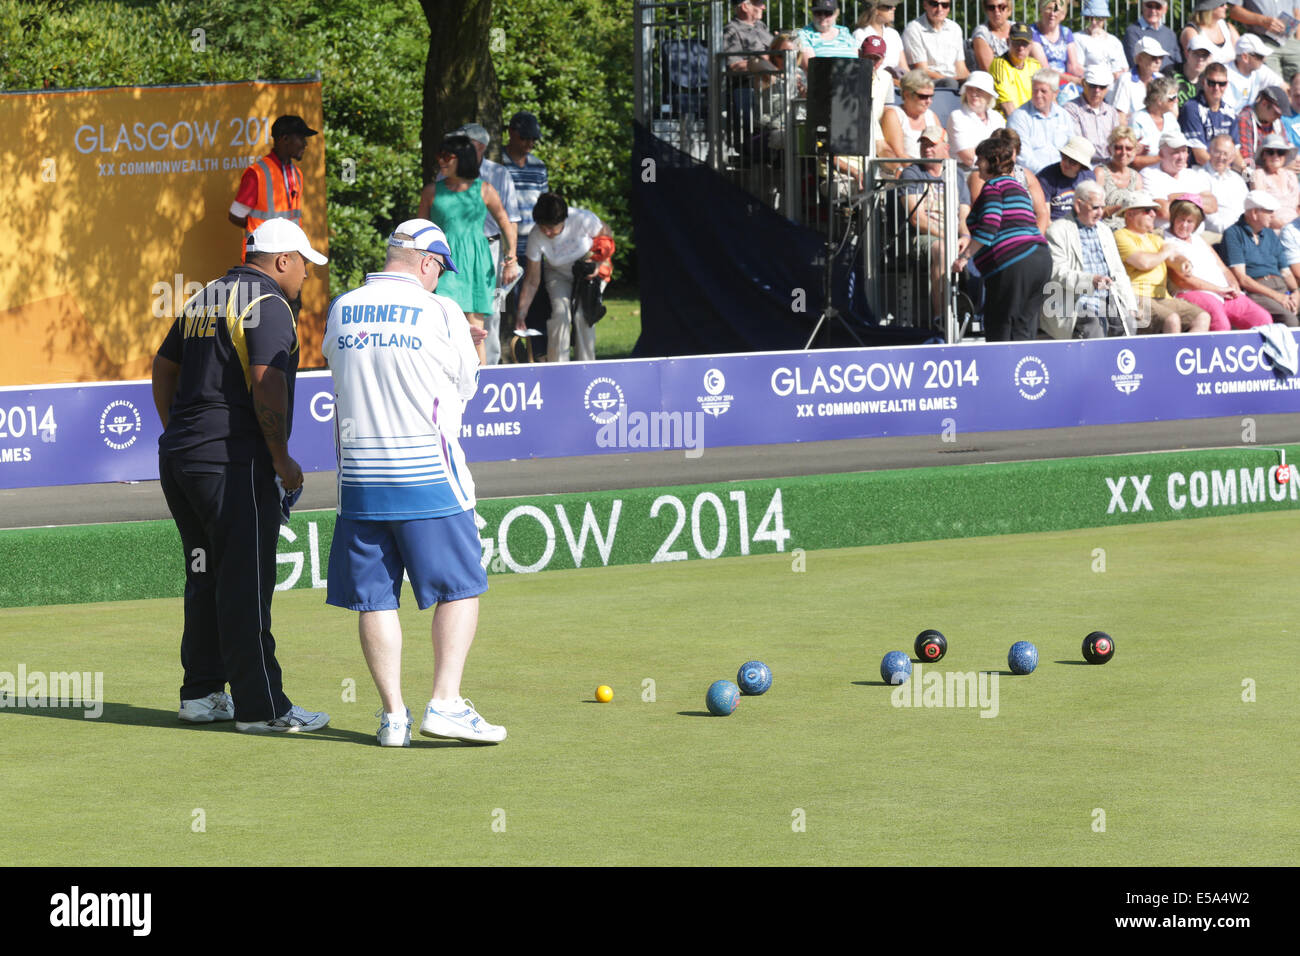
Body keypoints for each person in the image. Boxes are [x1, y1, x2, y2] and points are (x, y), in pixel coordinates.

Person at [322, 220, 504, 747]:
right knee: (461, 588)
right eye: (440, 269)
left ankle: (393, 718)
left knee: (375, 599)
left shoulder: (342, 307)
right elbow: (466, 386)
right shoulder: (442, 310)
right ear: (426, 262)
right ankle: (445, 703)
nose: (440, 278)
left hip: (360, 480)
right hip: (429, 476)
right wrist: (467, 344)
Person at [152, 218, 330, 735]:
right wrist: (281, 457)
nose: (306, 275)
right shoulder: (269, 303)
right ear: (282, 261)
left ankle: (202, 693)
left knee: (205, 575)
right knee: (246, 583)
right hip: (233, 464)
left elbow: (163, 368)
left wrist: (180, 432)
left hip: (183, 461)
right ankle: (262, 708)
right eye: (303, 264)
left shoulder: (205, 295)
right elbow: (266, 383)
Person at [419, 134, 518, 365]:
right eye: (439, 156)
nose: (441, 161)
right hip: (442, 263)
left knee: (476, 330)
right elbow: (420, 230)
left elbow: (505, 222)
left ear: (462, 158)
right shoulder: (431, 191)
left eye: (447, 156)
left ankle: (479, 380)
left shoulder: (484, 189)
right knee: (442, 325)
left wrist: (511, 257)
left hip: (476, 262)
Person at [954, 134, 1052, 339]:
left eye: (980, 159)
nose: (976, 164)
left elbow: (989, 225)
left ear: (995, 161)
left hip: (1014, 264)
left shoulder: (993, 186)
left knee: (1000, 329)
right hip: (1041, 260)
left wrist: (964, 258)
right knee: (1023, 330)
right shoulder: (1018, 187)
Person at [450, 123, 521, 367]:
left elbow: (510, 219)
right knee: (454, 308)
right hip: (455, 250)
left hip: (491, 250)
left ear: (478, 147)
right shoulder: (447, 172)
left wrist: (511, 259)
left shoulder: (499, 174)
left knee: (492, 309)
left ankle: (489, 367)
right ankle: (457, 366)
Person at [514, 193, 612, 362]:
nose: (547, 232)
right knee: (560, 314)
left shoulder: (582, 219)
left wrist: (598, 263)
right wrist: (522, 313)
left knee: (583, 317)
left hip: (586, 270)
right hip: (557, 273)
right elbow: (531, 280)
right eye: (543, 227)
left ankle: (586, 366)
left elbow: (606, 235)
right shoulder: (536, 236)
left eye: (551, 227)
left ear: (564, 220)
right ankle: (558, 366)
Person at [1043, 180, 1139, 337]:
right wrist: (1090, 281)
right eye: (1095, 207)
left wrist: (1130, 305)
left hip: (1109, 298)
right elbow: (1057, 272)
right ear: (1078, 205)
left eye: (1102, 207)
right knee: (1094, 323)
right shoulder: (1057, 230)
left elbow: (1118, 271)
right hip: (1075, 301)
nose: (1100, 213)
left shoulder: (1105, 230)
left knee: (1128, 322)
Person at [1163, 196, 1274, 329]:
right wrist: (1219, 290)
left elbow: (1223, 268)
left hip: (1223, 292)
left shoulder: (1199, 239)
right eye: (1181, 219)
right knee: (1221, 324)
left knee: (1262, 318)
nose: (1184, 225)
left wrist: (1233, 285)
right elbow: (1182, 280)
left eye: (1190, 221)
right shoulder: (1166, 241)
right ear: (1173, 218)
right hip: (1193, 292)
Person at [900, 126, 972, 325]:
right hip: (923, 236)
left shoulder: (956, 174)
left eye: (932, 144)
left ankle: (978, 313)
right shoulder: (912, 173)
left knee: (982, 245)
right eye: (923, 144)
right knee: (942, 249)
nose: (927, 149)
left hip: (952, 234)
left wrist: (965, 237)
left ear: (946, 147)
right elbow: (917, 219)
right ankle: (941, 317)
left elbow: (963, 215)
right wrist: (949, 237)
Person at [1113, 192, 1213, 332]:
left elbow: (1174, 257)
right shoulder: (1120, 236)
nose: (1154, 214)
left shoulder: (1155, 239)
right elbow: (1143, 263)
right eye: (1147, 210)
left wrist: (1184, 263)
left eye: (1154, 210)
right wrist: (1165, 253)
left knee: (1202, 317)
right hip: (1136, 296)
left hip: (1162, 297)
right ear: (1130, 214)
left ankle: (1185, 348)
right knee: (1171, 319)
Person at [228, 114, 316, 259]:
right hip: (261, 260)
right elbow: (235, 216)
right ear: (285, 139)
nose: (305, 144)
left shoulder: (296, 174)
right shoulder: (257, 173)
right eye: (301, 138)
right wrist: (263, 234)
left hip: (289, 258)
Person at [1219, 189, 1300, 324]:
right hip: (1257, 291)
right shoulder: (1233, 234)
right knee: (1289, 319)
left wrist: (1296, 292)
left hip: (1281, 287)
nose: (1273, 216)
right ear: (1254, 213)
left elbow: (1285, 271)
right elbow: (1242, 279)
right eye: (1269, 211)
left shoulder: (1270, 234)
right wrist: (1278, 296)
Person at [502, 110, 549, 338]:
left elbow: (545, 204)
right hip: (506, 243)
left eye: (533, 139)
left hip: (534, 241)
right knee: (505, 299)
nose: (529, 143)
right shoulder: (498, 164)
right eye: (525, 138)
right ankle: (507, 344)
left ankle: (534, 349)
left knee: (534, 299)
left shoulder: (539, 166)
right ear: (511, 132)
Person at [968, 127, 1051, 232]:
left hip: (1029, 232)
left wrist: (1036, 236)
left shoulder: (1026, 175)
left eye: (1011, 151)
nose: (1007, 155)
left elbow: (1042, 213)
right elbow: (983, 212)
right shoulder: (980, 176)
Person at [1142, 129, 1219, 229]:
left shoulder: (1193, 174)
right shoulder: (1149, 174)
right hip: (1164, 234)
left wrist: (1177, 197)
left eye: (1184, 151)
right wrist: (1197, 201)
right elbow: (1164, 211)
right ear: (1161, 154)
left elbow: (1213, 205)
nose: (1182, 157)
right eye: (1176, 152)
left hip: (1196, 235)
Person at [1008, 68, 1074, 172]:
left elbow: (1072, 146)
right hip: (1033, 175)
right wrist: (1047, 175)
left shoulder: (1063, 115)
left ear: (1055, 93)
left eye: (1043, 91)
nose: (1038, 95)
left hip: (1063, 173)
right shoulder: (1019, 117)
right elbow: (1023, 157)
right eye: (1035, 90)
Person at [1180, 61, 1238, 167]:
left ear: (1226, 85)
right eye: (1212, 83)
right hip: (1197, 170)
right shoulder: (1192, 109)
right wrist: (1224, 170)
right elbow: (1199, 156)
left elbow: (1236, 153)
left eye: (1221, 84)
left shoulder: (1230, 112)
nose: (1216, 88)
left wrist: (1245, 171)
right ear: (1203, 82)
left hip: (1223, 169)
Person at [1064, 64, 1125, 166]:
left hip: (1110, 167)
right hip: (1083, 167)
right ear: (1084, 83)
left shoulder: (1112, 112)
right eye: (1093, 85)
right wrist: (1112, 150)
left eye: (1102, 87)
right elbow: (1078, 146)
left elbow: (1118, 141)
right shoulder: (1071, 109)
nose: (1097, 90)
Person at [902, 0, 969, 89]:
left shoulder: (955, 28)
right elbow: (921, 70)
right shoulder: (914, 29)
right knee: (950, 83)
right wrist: (951, 79)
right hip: (927, 82)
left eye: (945, 5)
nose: (940, 9)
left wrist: (972, 80)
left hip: (953, 80)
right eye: (934, 4)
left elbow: (961, 68)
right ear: (925, 5)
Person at [947, 71, 1006, 171]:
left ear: (989, 95)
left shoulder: (997, 118)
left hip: (995, 170)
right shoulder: (957, 116)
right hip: (965, 172)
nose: (974, 94)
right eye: (970, 89)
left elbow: (1004, 151)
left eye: (979, 90)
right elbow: (969, 158)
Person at [1228, 0, 1300, 81]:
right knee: (1273, 83)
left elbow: (1297, 12)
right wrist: (1262, 20)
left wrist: (1298, 40)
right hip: (1262, 41)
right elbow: (1234, 11)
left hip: (1292, 40)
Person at [882, 69, 944, 159]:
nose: (929, 101)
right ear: (907, 94)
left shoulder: (932, 116)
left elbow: (941, 152)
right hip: (907, 167)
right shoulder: (893, 115)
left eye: (931, 96)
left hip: (929, 167)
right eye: (923, 96)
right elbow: (899, 155)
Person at [1030, 0, 1085, 101]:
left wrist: (1087, 77)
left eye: (1057, 10)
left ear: (1063, 15)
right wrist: (1074, 80)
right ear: (1041, 10)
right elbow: (1045, 69)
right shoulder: (1033, 33)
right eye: (1049, 9)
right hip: (1044, 81)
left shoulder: (1066, 32)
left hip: (1066, 82)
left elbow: (1073, 67)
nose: (1052, 14)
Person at [1095, 125, 1147, 227]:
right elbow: (1094, 211)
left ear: (1134, 151)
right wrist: (1120, 207)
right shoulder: (1100, 173)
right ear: (1109, 149)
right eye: (1118, 148)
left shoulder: (1136, 177)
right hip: (1104, 229)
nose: (1124, 152)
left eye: (1129, 148)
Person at [1037, 135, 1098, 221]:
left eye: (1073, 162)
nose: (1066, 163)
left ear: (1082, 166)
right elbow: (1044, 218)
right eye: (1064, 157)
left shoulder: (1089, 178)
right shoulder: (1046, 177)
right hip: (1055, 225)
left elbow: (1093, 210)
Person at [1224, 34, 1285, 115]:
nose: (1264, 60)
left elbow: (1284, 87)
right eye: (1260, 56)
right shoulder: (1224, 76)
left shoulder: (1259, 70)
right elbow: (1227, 112)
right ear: (1245, 57)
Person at [1202, 132, 1251, 233]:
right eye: (1217, 152)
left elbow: (1248, 207)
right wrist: (1233, 232)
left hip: (1243, 232)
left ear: (1232, 157)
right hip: (1217, 234)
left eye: (1226, 154)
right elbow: (1210, 219)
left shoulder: (1237, 179)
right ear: (1210, 151)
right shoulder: (1200, 176)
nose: (1221, 157)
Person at [990, 22, 1042, 117]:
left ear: (1031, 45)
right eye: (1016, 43)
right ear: (1008, 42)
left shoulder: (1035, 65)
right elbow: (1007, 105)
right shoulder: (999, 65)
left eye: (1025, 43)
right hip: (1008, 121)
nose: (1021, 48)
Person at [1074, 1, 1129, 90]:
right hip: (1091, 88)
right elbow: (1078, 70)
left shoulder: (1114, 41)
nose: (1094, 22)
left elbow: (1124, 69)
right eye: (1090, 18)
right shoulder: (1078, 38)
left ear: (1105, 18)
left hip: (1115, 88)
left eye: (1098, 18)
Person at [1236, 84, 1291, 170]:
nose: (1279, 118)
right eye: (1276, 113)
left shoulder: (1277, 122)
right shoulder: (1245, 119)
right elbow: (1247, 158)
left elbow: (1285, 150)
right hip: (1254, 173)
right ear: (1264, 103)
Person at [1114, 36, 1170, 118]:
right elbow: (1120, 115)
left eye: (1161, 57)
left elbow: (1168, 110)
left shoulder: (1161, 78)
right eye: (1153, 57)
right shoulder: (1125, 80)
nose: (1158, 61)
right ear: (1139, 59)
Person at [1130, 76, 1182, 163]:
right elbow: (1131, 159)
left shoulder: (1171, 118)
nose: (1176, 100)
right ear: (1159, 100)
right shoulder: (1137, 120)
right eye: (1173, 97)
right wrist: (1164, 158)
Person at [854, 0, 908, 82]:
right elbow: (861, 69)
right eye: (888, 7)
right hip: (873, 83)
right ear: (875, 10)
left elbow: (904, 67)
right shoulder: (860, 34)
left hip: (899, 84)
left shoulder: (893, 34)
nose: (894, 8)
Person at [1124, 0, 1181, 73]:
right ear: (1142, 7)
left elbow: (1178, 61)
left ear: (1165, 9)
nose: (1153, 11)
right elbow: (1134, 62)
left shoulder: (1170, 34)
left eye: (1158, 7)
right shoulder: (1132, 32)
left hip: (1170, 77)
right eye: (1149, 6)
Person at [797, 0, 859, 66]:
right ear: (812, 13)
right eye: (818, 13)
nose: (822, 17)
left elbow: (859, 59)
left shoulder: (844, 31)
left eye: (828, 13)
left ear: (836, 14)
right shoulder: (804, 34)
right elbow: (810, 67)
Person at [1181, 1, 1241, 66]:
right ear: (1210, 7)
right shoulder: (1191, 31)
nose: (1226, 7)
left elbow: (1241, 54)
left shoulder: (1228, 27)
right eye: (1222, 5)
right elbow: (1196, 64)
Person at [970, 0, 1013, 74]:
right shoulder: (981, 33)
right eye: (991, 7)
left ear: (1009, 10)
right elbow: (990, 70)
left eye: (1001, 7)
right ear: (986, 11)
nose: (996, 11)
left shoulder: (1018, 28)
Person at [1177, 35, 1218, 105]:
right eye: (1196, 54)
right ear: (1187, 54)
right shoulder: (1170, 73)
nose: (1200, 59)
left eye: (1204, 55)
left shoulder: (1209, 81)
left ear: (1209, 58)